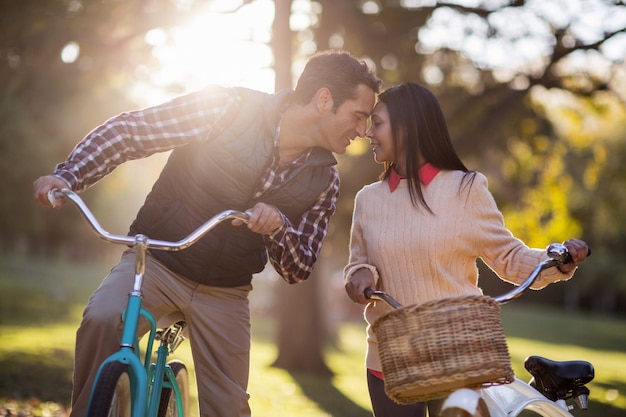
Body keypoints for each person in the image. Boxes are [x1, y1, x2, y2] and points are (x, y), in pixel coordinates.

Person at [33, 50, 382, 417]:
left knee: (229, 407)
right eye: (358, 116)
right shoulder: (227, 109)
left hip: (225, 291)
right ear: (324, 99)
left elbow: (299, 267)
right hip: (157, 264)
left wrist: (279, 227)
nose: (363, 131)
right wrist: (68, 176)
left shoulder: (325, 179)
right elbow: (132, 132)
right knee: (102, 318)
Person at [343, 82, 590, 417]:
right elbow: (360, 263)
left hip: (459, 357)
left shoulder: (465, 188)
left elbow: (509, 258)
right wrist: (359, 275)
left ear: (408, 127)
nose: (369, 133)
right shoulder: (368, 200)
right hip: (391, 359)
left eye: (379, 123)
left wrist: (556, 260)